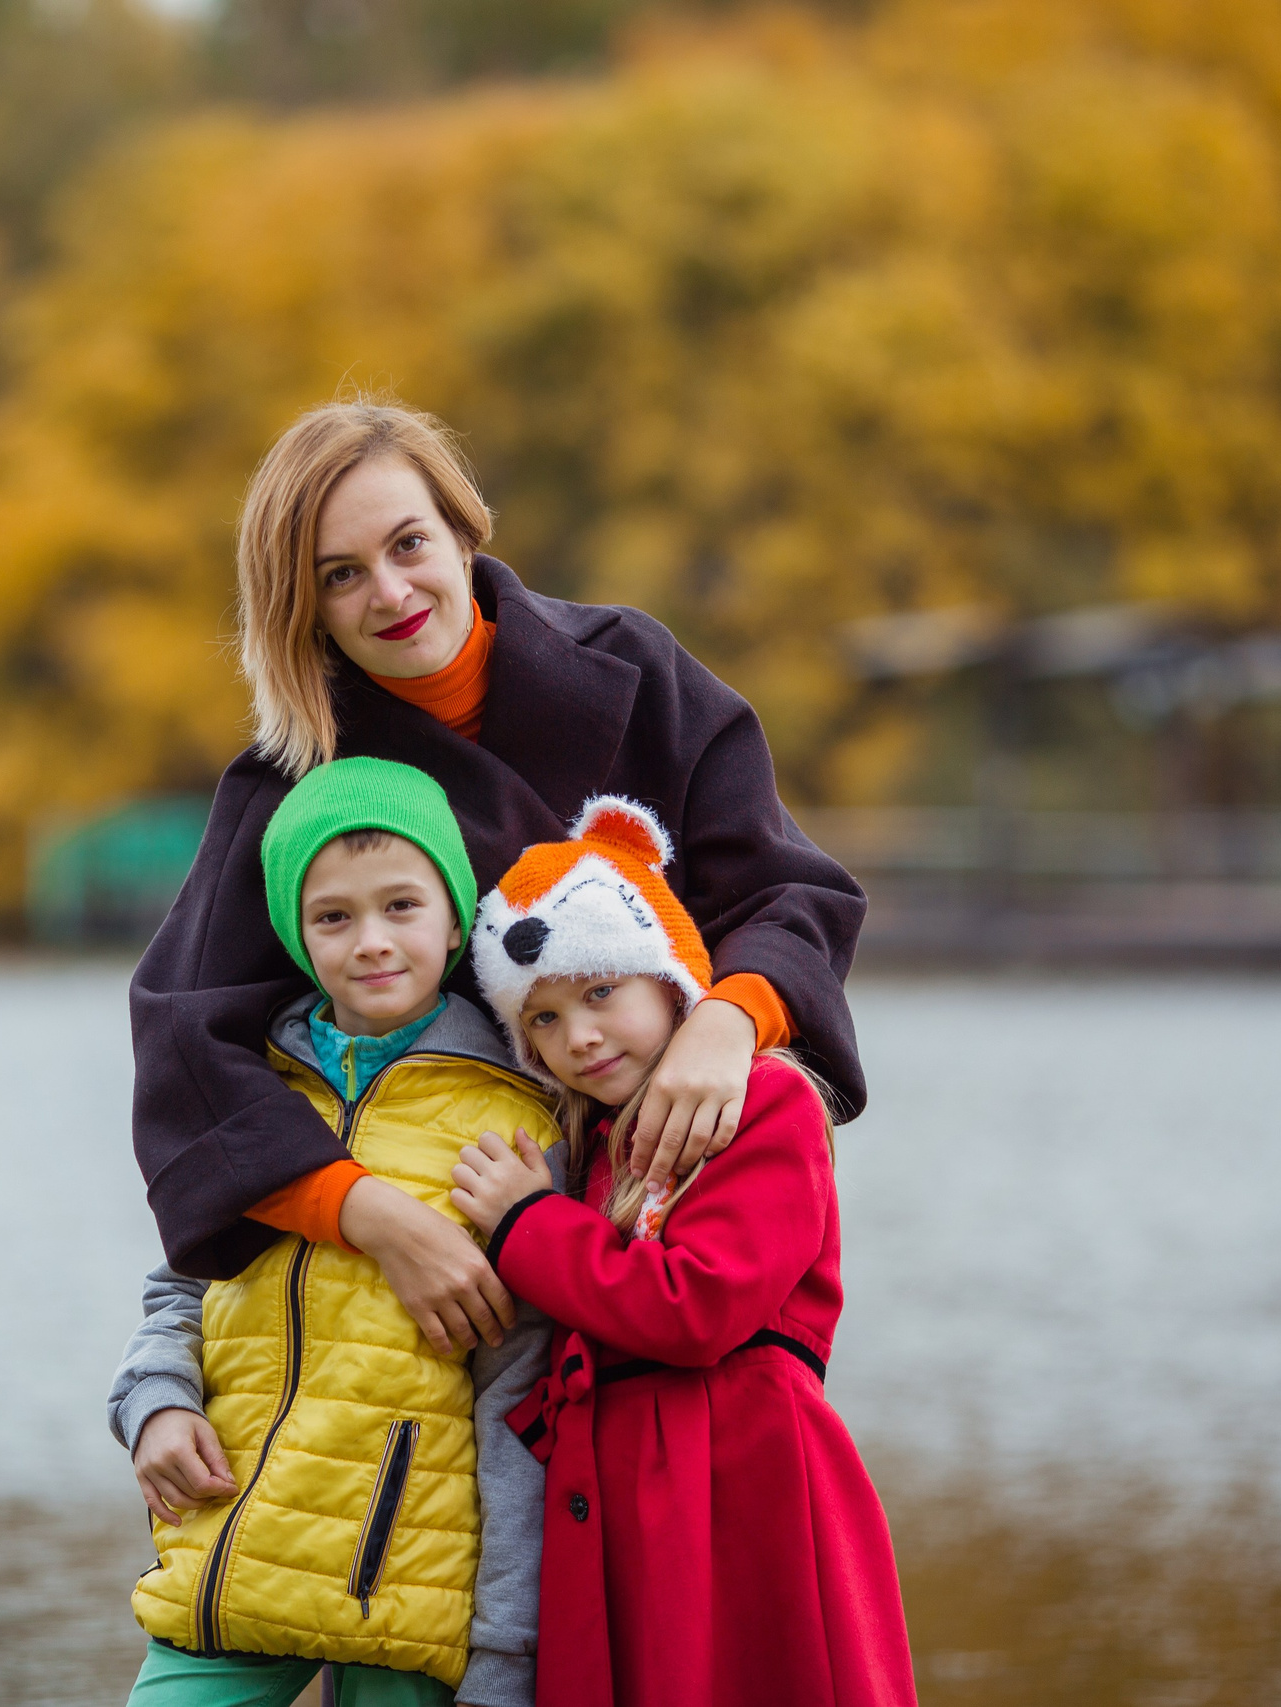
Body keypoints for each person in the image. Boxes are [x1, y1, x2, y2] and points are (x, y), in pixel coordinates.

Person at [132, 400, 869, 1361]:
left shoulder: (637, 669)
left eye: (408, 544)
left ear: (462, 523)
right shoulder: (298, 785)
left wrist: (728, 1024)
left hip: (675, 1219)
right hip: (454, 1282)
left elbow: (788, 889)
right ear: (300, 606)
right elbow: (188, 1046)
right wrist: (373, 1216)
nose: (392, 593)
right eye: (341, 576)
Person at [115, 756, 566, 1706]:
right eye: (334, 916)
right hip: (233, 1555)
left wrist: (505, 1653)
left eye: (402, 905)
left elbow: (519, 1401)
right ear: (295, 932)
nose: (371, 940)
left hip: (406, 1598)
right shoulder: (254, 1094)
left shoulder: (515, 1121)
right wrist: (155, 1400)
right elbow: (183, 1278)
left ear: (454, 919)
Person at [448, 797, 918, 1707]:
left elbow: (697, 1307)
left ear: (666, 980)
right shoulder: (587, 1142)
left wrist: (524, 1227)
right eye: (541, 1020)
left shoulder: (767, 1104)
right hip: (622, 1516)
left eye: (598, 992)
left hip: (740, 1499)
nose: (577, 1036)